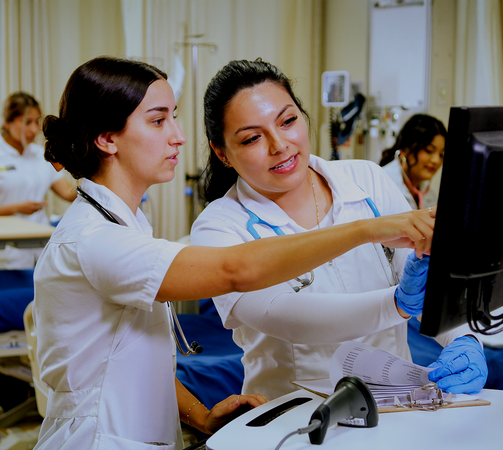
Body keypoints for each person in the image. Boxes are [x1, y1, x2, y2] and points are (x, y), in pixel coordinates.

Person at [24, 56, 437, 450]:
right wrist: (367, 233)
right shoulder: (96, 240)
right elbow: (236, 271)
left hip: (140, 448)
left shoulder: (123, 224)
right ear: (107, 139)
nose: (178, 137)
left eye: (173, 118)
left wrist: (200, 416)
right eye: (158, 121)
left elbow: (126, 361)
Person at [191, 59, 487, 400]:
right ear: (222, 153)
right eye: (252, 138)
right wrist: (395, 303)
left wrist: (464, 338)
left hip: (398, 407)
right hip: (297, 419)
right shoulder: (218, 227)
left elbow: (424, 279)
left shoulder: (367, 180)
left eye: (287, 121)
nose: (279, 145)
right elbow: (282, 316)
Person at [0, 92, 76, 269]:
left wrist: (95, 179)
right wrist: (17, 208)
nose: (34, 129)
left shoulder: (40, 155)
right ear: (7, 122)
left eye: (36, 122)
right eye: (27, 122)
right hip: (4, 254)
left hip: (41, 251)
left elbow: (68, 193)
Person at [379, 114, 446, 210]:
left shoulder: (431, 196)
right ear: (405, 149)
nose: (436, 160)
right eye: (429, 150)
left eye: (441, 154)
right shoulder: (381, 185)